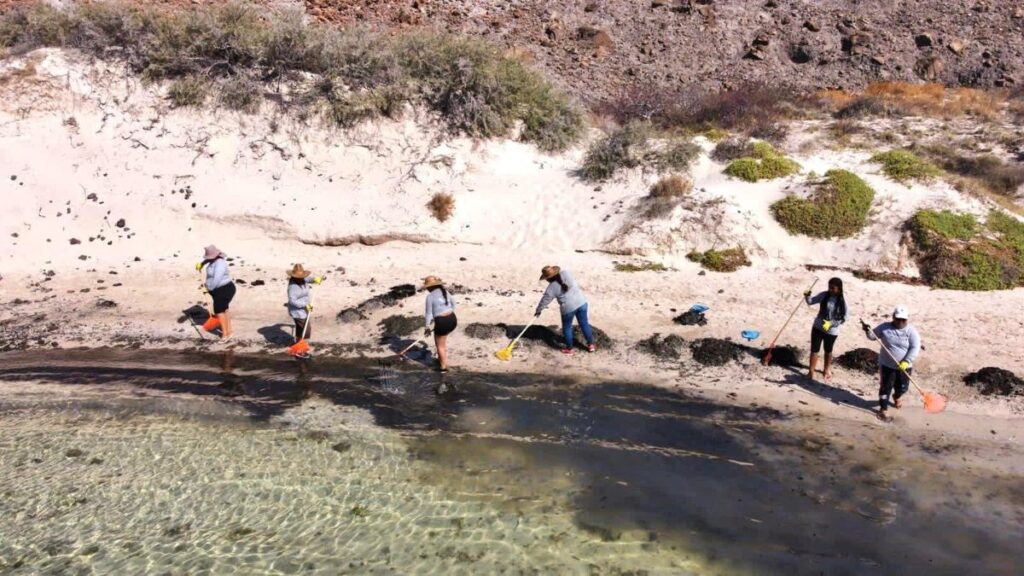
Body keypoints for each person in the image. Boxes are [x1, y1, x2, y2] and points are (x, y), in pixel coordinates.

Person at [861, 305, 921, 422]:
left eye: (903, 320)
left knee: (902, 388)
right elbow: (873, 336)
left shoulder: (911, 332)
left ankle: (897, 396)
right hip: (887, 365)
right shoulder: (885, 327)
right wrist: (867, 330)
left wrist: (906, 361)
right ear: (893, 317)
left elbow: (915, 348)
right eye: (898, 319)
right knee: (885, 388)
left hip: (904, 367)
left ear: (907, 320)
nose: (900, 322)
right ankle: (883, 409)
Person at [535, 265, 595, 355]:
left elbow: (544, 301)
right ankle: (591, 345)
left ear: (548, 278)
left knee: (567, 328)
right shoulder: (566, 273)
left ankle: (570, 349)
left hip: (568, 308)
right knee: (584, 324)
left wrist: (538, 310)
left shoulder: (551, 288)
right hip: (581, 302)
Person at [804, 277, 848, 382]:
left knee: (828, 350)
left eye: (833, 288)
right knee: (814, 349)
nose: (830, 290)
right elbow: (810, 302)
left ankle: (826, 369)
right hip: (818, 326)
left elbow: (845, 318)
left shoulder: (843, 301)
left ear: (839, 289)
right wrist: (807, 295)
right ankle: (811, 371)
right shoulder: (824, 295)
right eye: (829, 287)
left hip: (832, 331)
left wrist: (831, 324)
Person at [196, 245, 236, 340]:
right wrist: (202, 264)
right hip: (218, 290)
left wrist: (208, 288)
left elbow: (217, 279)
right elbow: (207, 261)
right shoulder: (212, 261)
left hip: (224, 289)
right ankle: (229, 331)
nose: (208, 259)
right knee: (224, 309)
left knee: (219, 311)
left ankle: (225, 335)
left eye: (209, 257)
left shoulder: (220, 264)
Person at [286, 264, 324, 354]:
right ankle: (302, 347)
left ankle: (298, 343)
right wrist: (304, 305)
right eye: (299, 277)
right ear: (294, 277)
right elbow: (292, 301)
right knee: (306, 329)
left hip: (305, 307)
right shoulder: (293, 287)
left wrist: (315, 279)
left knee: (300, 328)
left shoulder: (302, 279)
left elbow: (308, 279)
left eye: (302, 276)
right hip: (297, 311)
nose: (301, 278)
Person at [422, 276, 457, 372]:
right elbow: (454, 305)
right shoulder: (445, 292)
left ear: (430, 287)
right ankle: (441, 360)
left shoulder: (430, 297)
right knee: (442, 342)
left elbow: (428, 313)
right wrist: (446, 315)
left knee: (440, 346)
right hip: (452, 319)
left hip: (442, 322)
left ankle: (443, 369)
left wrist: (427, 327)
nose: (427, 289)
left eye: (427, 287)